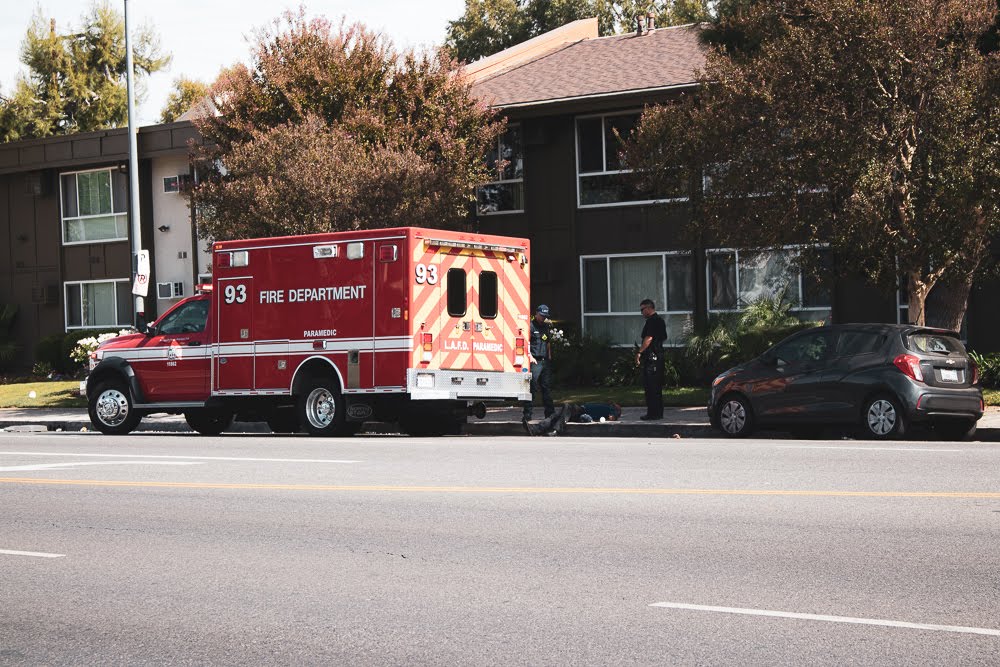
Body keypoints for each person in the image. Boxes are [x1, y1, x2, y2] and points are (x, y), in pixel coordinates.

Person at [522, 304, 555, 422]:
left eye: (545, 316)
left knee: (546, 388)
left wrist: (549, 356)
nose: (543, 318)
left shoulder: (545, 327)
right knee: (532, 388)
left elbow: (547, 342)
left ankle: (550, 414)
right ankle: (527, 415)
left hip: (544, 361)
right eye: (541, 315)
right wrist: (530, 356)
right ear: (536, 314)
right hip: (535, 360)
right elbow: (526, 342)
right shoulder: (530, 326)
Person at [635, 298, 667, 420]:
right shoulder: (660, 321)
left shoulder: (652, 321)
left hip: (652, 358)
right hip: (658, 356)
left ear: (649, 308)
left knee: (651, 386)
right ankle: (658, 413)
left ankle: (653, 414)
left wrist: (639, 352)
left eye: (642, 309)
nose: (642, 312)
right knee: (656, 387)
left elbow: (648, 338)